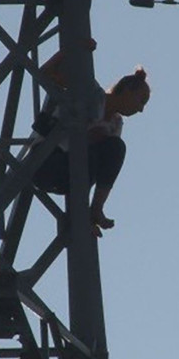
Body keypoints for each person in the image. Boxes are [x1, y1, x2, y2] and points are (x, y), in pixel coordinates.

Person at [31, 42, 151, 237]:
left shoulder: (115, 124)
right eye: (141, 100)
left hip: (73, 172)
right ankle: (82, 216)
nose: (141, 109)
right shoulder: (91, 93)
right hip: (47, 160)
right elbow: (46, 73)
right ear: (128, 89)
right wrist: (72, 50)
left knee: (114, 149)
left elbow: (104, 162)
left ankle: (94, 210)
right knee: (91, 156)